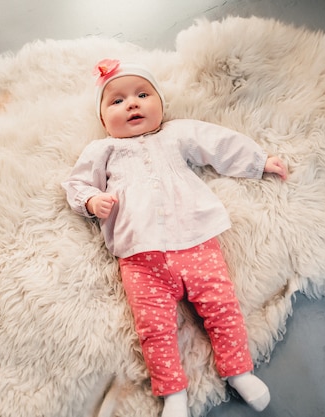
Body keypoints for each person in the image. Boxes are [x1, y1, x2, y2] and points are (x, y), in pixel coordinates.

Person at [62, 59, 288, 417]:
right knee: (154, 328)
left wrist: (258, 161)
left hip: (196, 241)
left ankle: (239, 371)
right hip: (139, 258)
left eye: (142, 94)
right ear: (104, 120)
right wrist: (91, 200)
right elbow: (76, 184)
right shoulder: (102, 151)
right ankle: (173, 394)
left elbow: (218, 144)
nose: (132, 104)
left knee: (222, 308)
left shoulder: (176, 133)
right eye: (116, 101)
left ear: (161, 105)